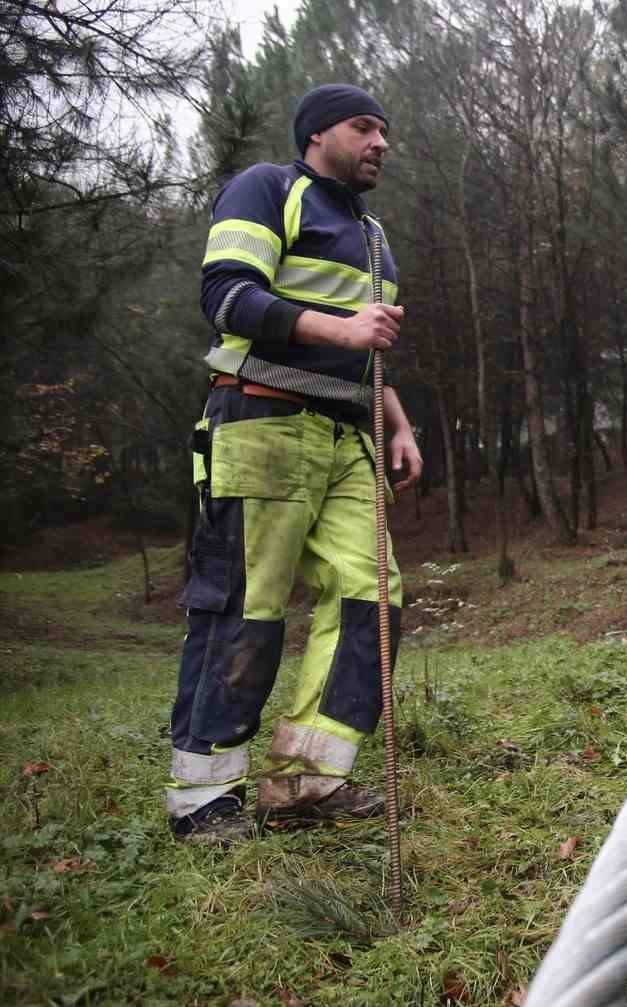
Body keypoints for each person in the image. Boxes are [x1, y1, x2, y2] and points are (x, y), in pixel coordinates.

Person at [168, 83, 423, 844]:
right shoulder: (268, 188)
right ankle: (202, 798)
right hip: (259, 420)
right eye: (364, 126)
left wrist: (398, 421)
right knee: (245, 607)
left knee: (372, 598)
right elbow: (227, 298)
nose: (381, 142)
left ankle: (305, 782)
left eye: (385, 129)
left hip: (346, 434)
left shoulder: (374, 234)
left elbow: (362, 346)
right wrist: (343, 332)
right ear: (318, 134)